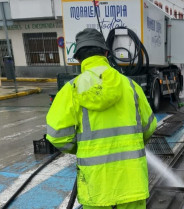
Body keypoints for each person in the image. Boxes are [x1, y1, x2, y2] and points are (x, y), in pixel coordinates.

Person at [46, 28, 157, 209]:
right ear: (106, 53)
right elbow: (149, 126)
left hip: (95, 188)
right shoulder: (131, 86)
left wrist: (82, 148)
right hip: (132, 185)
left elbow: (57, 136)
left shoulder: (70, 90)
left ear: (78, 58)